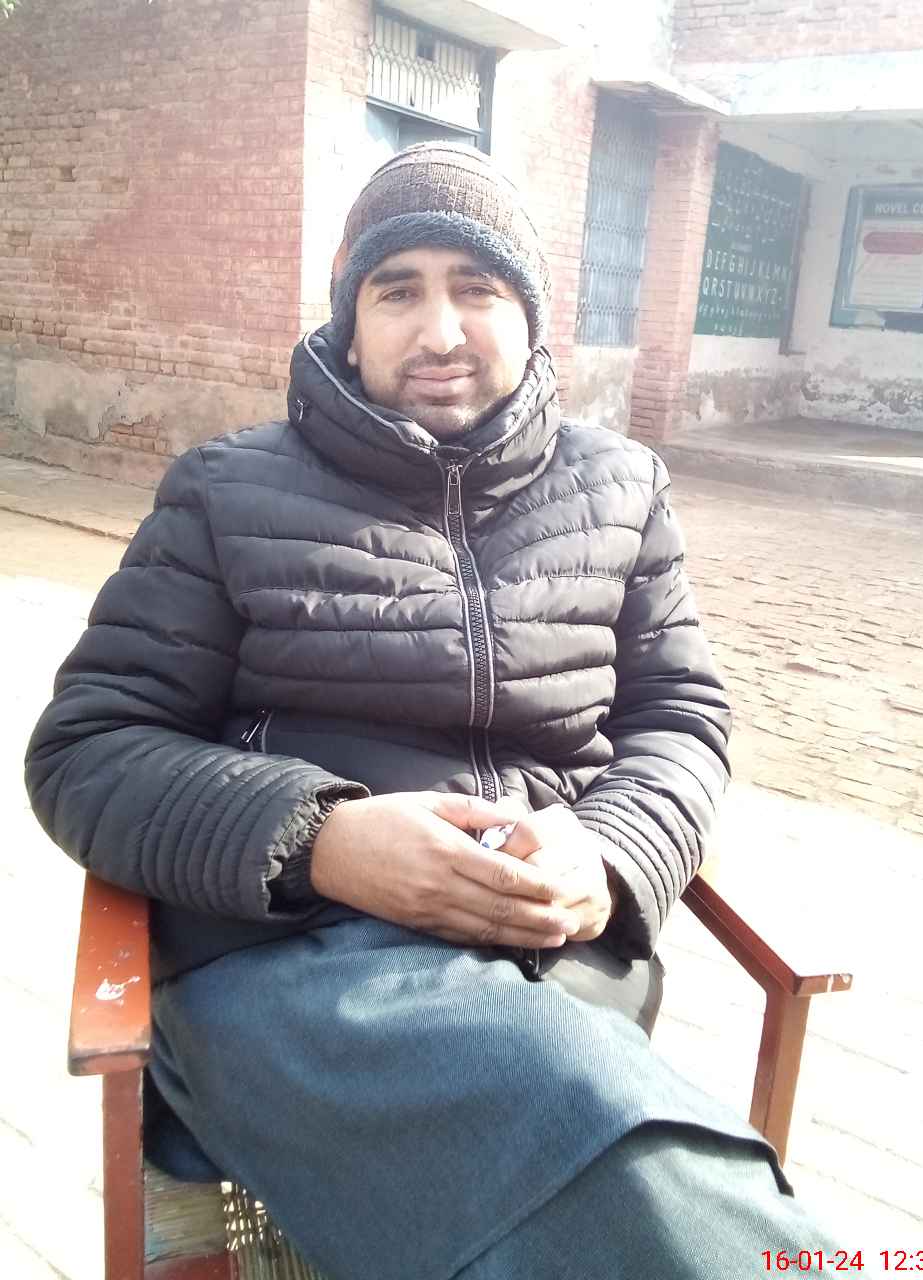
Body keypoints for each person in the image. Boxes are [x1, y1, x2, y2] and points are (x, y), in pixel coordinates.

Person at [26, 143, 855, 1279]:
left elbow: (681, 717)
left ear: (532, 315)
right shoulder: (225, 490)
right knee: (597, 1128)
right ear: (349, 320)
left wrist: (611, 856)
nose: (441, 330)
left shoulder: (621, 489)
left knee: (576, 1104)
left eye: (478, 287)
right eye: (397, 290)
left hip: (551, 961)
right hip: (296, 965)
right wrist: (319, 839)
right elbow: (88, 749)